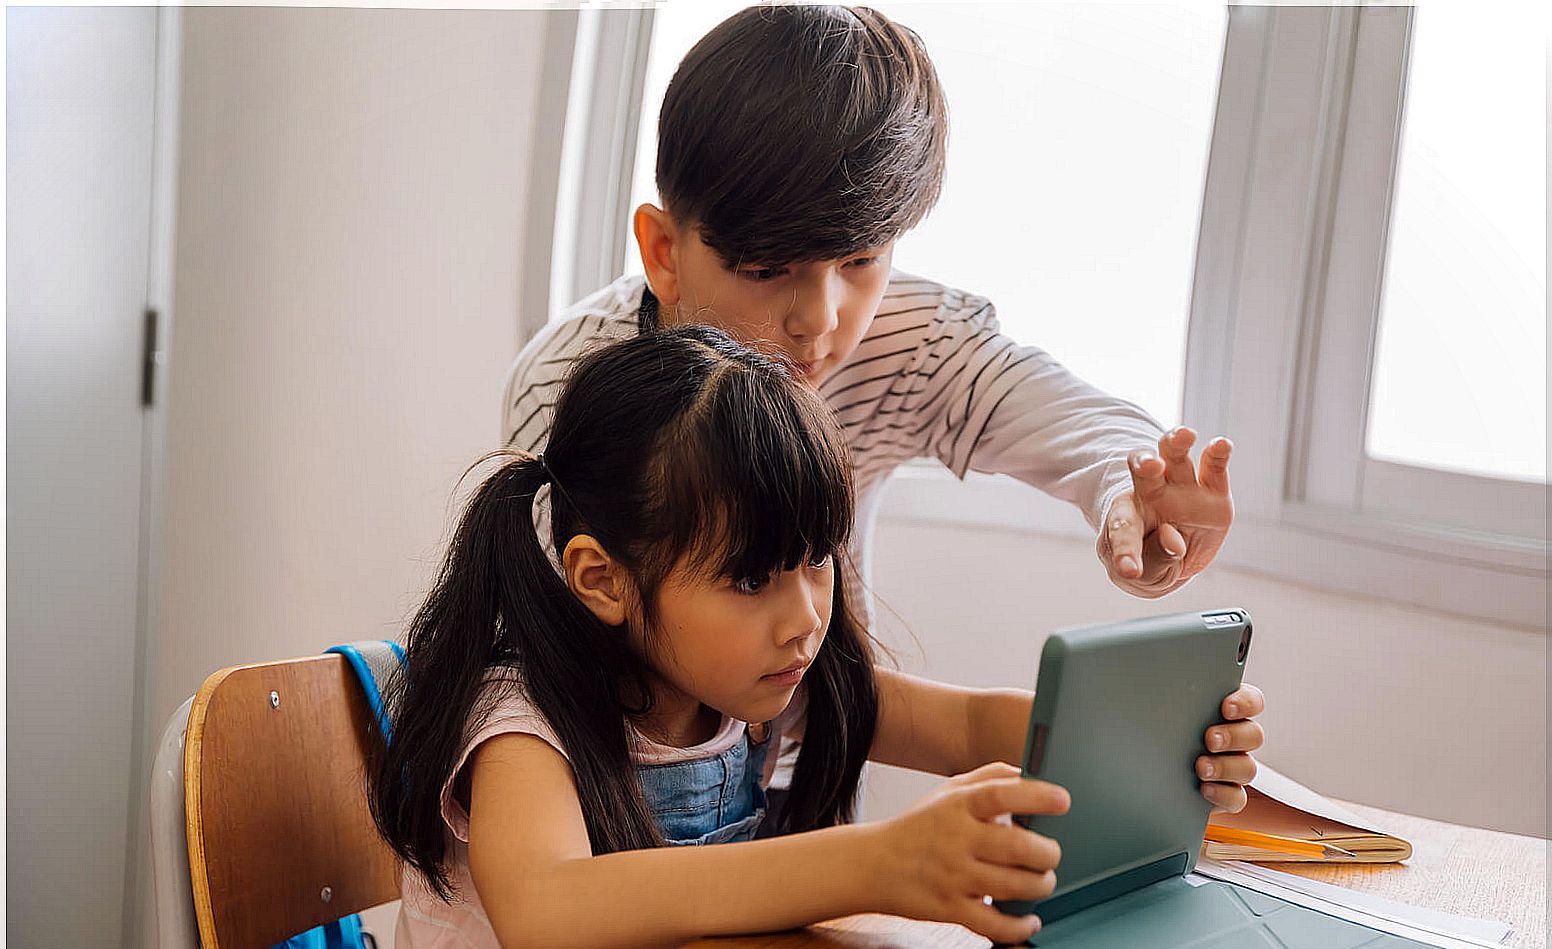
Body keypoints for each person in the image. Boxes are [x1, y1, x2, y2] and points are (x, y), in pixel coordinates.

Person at [370, 328, 1265, 949]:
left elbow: (963, 728)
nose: (804, 616)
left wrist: (1156, 735)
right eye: (752, 578)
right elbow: (548, 908)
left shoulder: (759, 685)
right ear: (602, 578)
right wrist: (873, 863)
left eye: (815, 560)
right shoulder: (521, 719)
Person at [503, 5, 1244, 809]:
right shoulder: (570, 384)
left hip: (813, 774)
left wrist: (1131, 492)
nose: (818, 321)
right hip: (617, 794)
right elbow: (555, 674)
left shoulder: (909, 339)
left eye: (860, 259)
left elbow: (1069, 419)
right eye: (765, 269)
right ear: (663, 252)